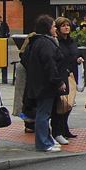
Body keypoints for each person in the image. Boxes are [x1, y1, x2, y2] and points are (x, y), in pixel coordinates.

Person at [23, 15, 65, 152]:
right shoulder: (46, 43)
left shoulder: (35, 42)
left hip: (37, 83)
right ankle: (43, 143)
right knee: (43, 114)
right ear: (47, 28)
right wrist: (58, 81)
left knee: (44, 113)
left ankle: (47, 140)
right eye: (53, 26)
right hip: (45, 85)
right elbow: (50, 64)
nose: (55, 29)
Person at [52, 17, 82, 145]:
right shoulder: (56, 42)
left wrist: (78, 59)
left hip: (71, 76)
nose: (66, 27)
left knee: (69, 104)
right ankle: (57, 131)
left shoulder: (71, 41)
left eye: (68, 25)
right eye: (63, 26)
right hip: (61, 76)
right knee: (61, 105)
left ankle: (65, 128)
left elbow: (74, 54)